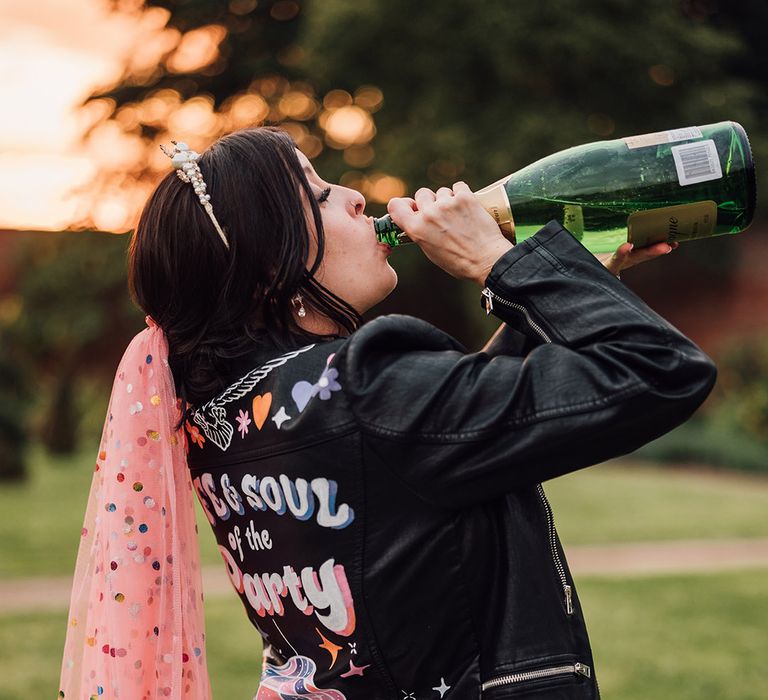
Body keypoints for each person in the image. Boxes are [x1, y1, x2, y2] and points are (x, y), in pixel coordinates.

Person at [58, 126, 716, 700]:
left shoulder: (223, 419)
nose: (354, 197)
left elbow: (427, 445)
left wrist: (568, 289)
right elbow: (663, 371)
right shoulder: (367, 384)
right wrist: (504, 263)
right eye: (319, 196)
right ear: (268, 274)